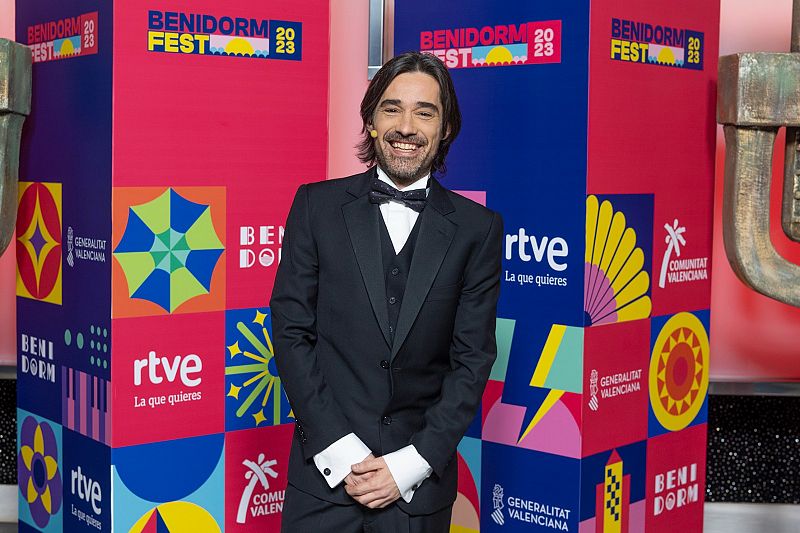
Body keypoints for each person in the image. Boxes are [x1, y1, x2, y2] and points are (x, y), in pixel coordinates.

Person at [271, 51, 502, 532]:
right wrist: (344, 452)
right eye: (392, 108)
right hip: (324, 481)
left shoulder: (478, 229)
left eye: (425, 111)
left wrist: (408, 466)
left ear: (444, 130)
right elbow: (292, 334)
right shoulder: (315, 207)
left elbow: (472, 360)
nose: (406, 125)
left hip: (418, 494)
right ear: (371, 120)